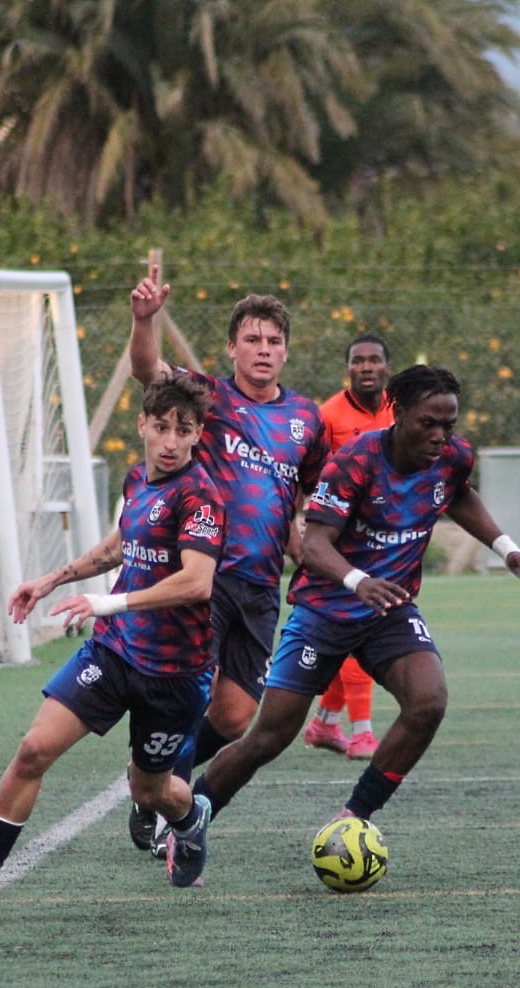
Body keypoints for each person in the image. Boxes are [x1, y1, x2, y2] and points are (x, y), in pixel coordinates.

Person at [190, 365, 520, 848]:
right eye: (429, 423)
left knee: (428, 702)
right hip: (326, 611)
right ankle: (190, 816)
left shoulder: (451, 457)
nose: (440, 436)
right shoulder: (355, 462)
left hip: (389, 609)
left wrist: (509, 552)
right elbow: (314, 544)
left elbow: (459, 494)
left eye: (449, 425)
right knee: (268, 738)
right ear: (398, 413)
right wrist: (358, 581)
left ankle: (354, 817)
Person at [0, 372, 226, 901]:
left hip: (174, 673)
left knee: (149, 788)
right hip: (114, 650)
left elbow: (196, 582)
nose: (171, 442)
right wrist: (53, 579)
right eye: (162, 427)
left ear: (198, 434)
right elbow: (122, 544)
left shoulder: (201, 497)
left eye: (184, 430)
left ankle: (189, 818)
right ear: (142, 426)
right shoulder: (138, 480)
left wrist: (106, 601)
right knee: (34, 748)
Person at [124, 266, 329, 851]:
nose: (263, 349)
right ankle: (163, 801)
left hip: (261, 586)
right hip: (204, 576)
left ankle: (153, 783)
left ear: (286, 352)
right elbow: (148, 371)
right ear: (232, 347)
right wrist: (144, 321)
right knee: (192, 692)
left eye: (273, 341)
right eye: (252, 339)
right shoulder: (207, 397)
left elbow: (304, 499)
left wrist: (309, 553)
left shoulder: (307, 420)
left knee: (235, 716)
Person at [303, 333, 394, 760]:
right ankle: (362, 733)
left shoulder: (401, 409)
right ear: (348, 368)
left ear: (387, 366)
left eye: (374, 360)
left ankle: (324, 723)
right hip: (343, 541)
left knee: (356, 630)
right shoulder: (328, 416)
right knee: (360, 624)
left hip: (389, 540)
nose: (366, 367)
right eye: (358, 360)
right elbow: (311, 475)